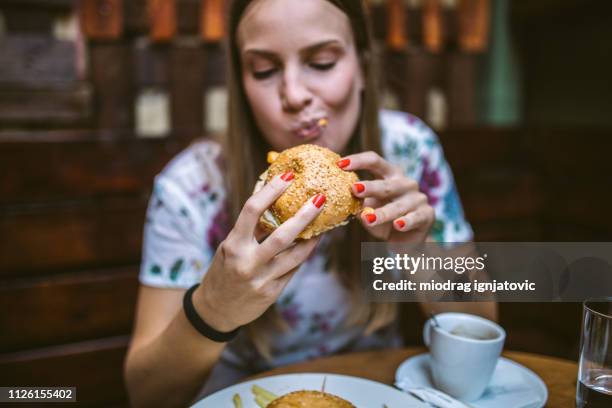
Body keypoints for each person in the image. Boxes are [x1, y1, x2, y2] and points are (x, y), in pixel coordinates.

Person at [124, 0, 496, 406]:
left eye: (321, 63)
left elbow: (482, 328)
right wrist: (214, 307)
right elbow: (147, 395)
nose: (294, 95)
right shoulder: (191, 187)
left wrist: (417, 258)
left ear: (363, 67)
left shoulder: (409, 150)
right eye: (264, 70)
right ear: (242, 84)